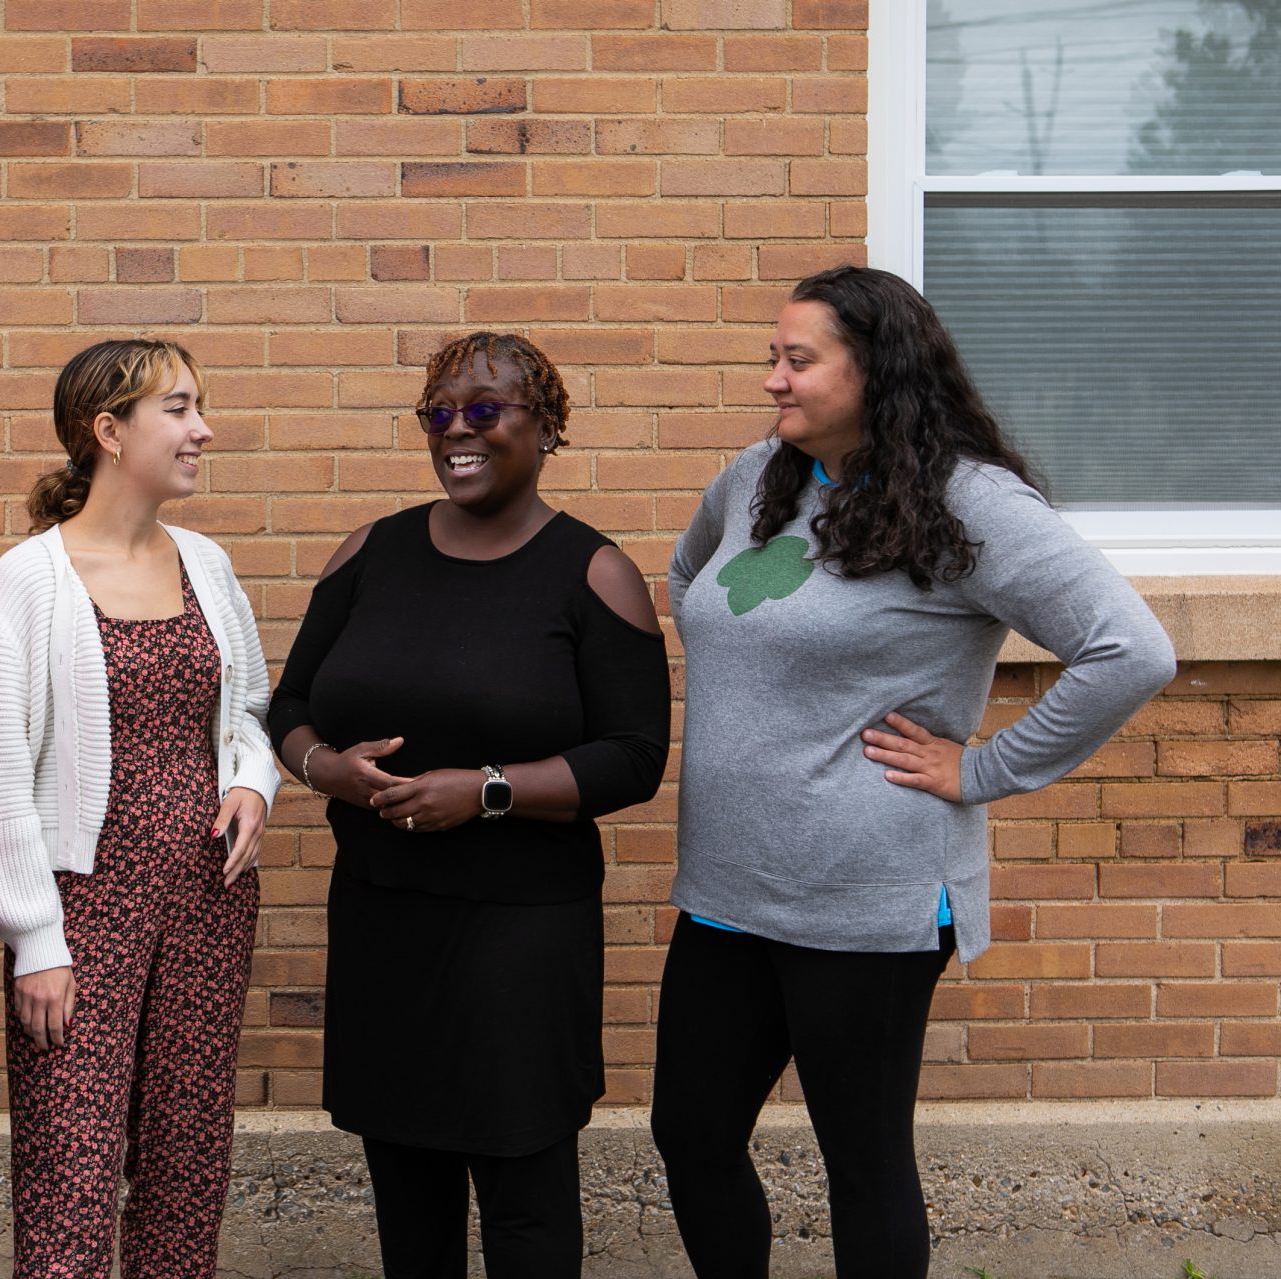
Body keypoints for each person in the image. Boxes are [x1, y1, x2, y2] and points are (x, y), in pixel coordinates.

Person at [653, 265, 1177, 1278]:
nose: (774, 380)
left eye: (799, 360)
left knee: (863, 1161)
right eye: (773, 356)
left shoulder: (968, 501)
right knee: (692, 1133)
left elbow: (1132, 648)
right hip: (727, 891)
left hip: (867, 897)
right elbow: (690, 582)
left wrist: (982, 770)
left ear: (878, 369)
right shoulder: (762, 476)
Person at [267, 332, 673, 1277]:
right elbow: (289, 707)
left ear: (546, 426)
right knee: (406, 1179)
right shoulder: (370, 551)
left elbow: (633, 758)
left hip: (520, 934)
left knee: (523, 1189)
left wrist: (486, 790)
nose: (460, 429)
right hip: (382, 913)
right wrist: (325, 767)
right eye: (440, 413)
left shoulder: (592, 571)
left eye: (486, 410)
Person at [0, 338, 280, 1278]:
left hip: (208, 905)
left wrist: (253, 779)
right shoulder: (31, 578)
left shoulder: (207, 565)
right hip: (80, 913)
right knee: (71, 1169)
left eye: (199, 406)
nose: (201, 429)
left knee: (188, 1163)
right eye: (177, 409)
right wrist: (33, 937)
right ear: (108, 431)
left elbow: (248, 707)